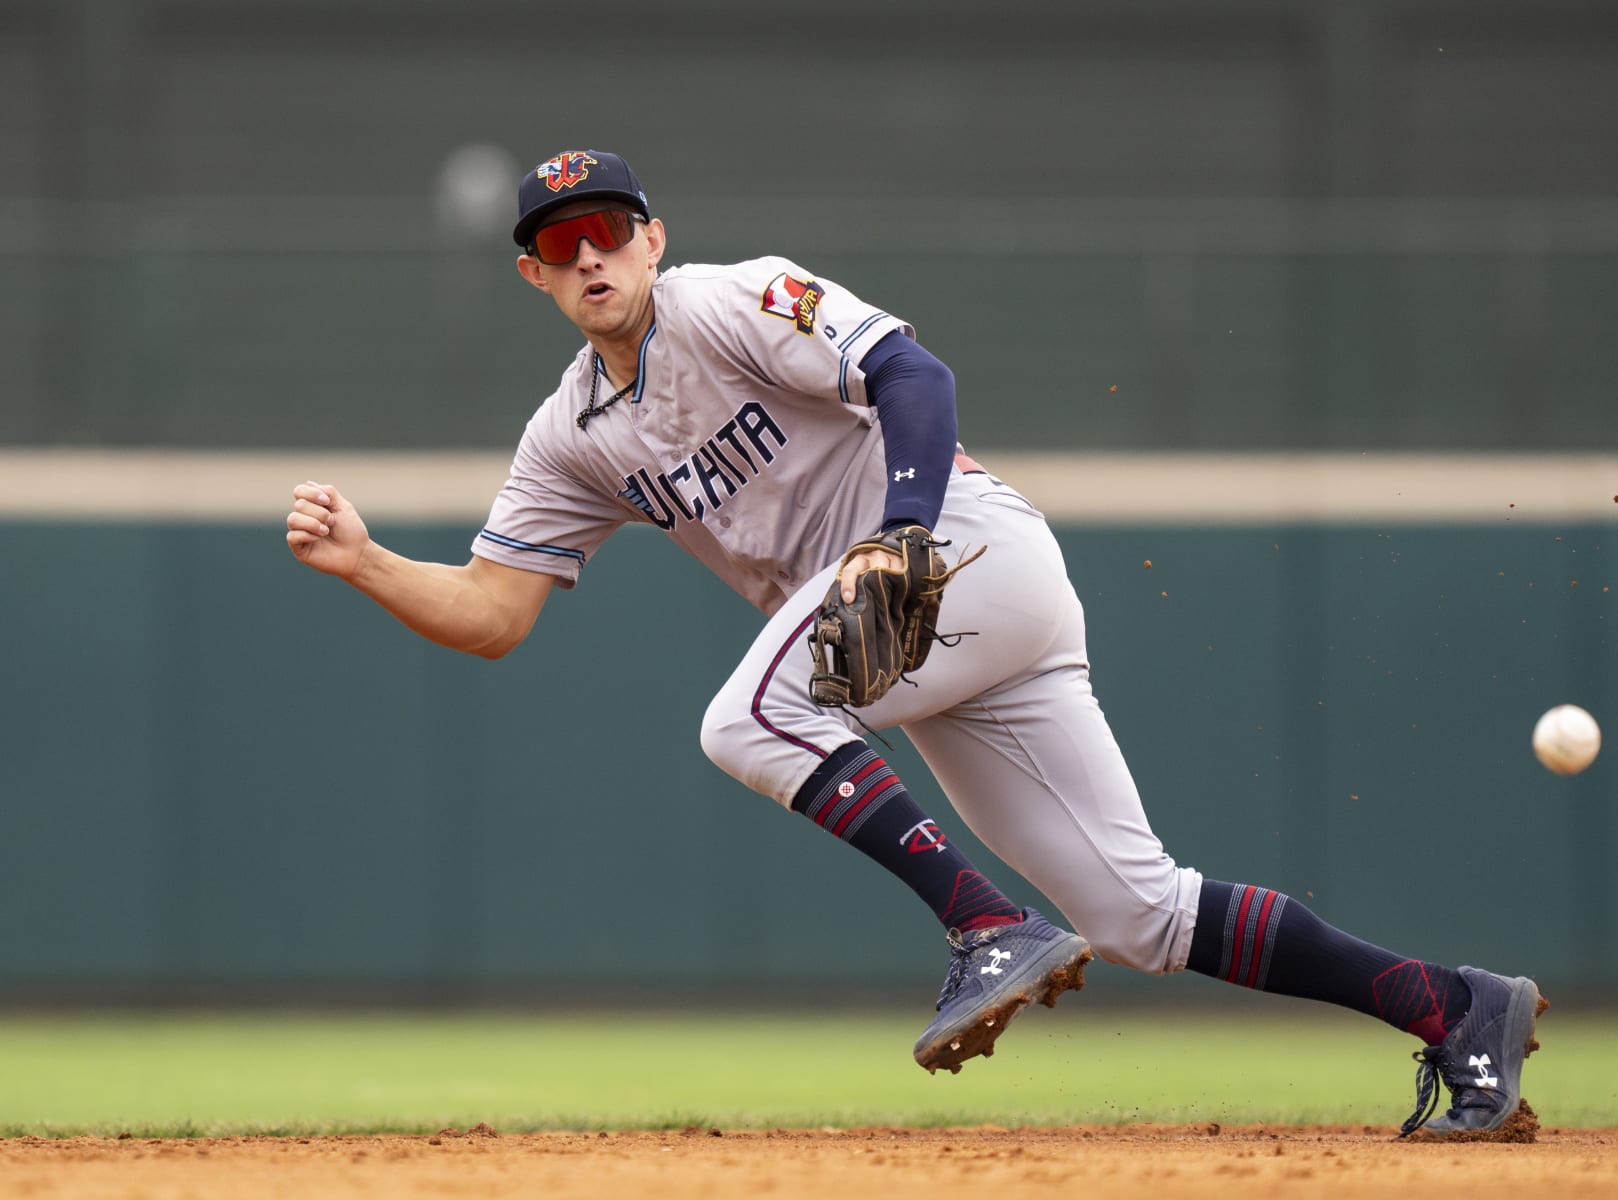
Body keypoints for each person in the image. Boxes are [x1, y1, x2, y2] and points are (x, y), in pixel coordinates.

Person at [285, 149, 1546, 1138]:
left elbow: (913, 372)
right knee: (1137, 914)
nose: (591, 253)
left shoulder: (729, 301)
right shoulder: (570, 436)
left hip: (955, 551)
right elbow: (495, 614)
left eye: (611, 229)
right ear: (535, 278)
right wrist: (369, 563)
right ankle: (1452, 1007)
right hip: (926, 627)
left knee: (748, 720)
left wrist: (899, 536)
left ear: (653, 238)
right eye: (561, 245)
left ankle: (984, 928)